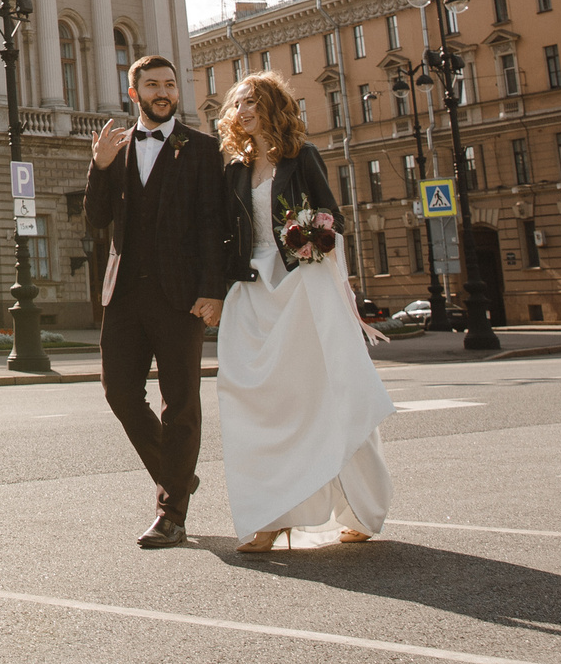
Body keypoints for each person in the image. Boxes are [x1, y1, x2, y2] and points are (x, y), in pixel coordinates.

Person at [214, 73, 395, 552]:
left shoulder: (301, 157)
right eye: (237, 104)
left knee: (327, 399)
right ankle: (270, 515)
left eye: (252, 101)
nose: (243, 110)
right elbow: (224, 232)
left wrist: (312, 239)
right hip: (253, 292)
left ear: (272, 106)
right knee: (257, 404)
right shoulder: (234, 166)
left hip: (303, 286)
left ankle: (359, 508)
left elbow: (330, 217)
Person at [84, 54, 233, 550]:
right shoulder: (118, 150)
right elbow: (96, 218)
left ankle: (171, 512)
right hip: (123, 293)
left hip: (181, 297)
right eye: (153, 85)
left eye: (170, 84)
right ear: (135, 94)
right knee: (119, 393)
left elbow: (216, 226)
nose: (164, 92)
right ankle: (178, 475)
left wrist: (214, 290)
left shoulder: (204, 150)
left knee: (181, 405)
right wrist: (99, 166)